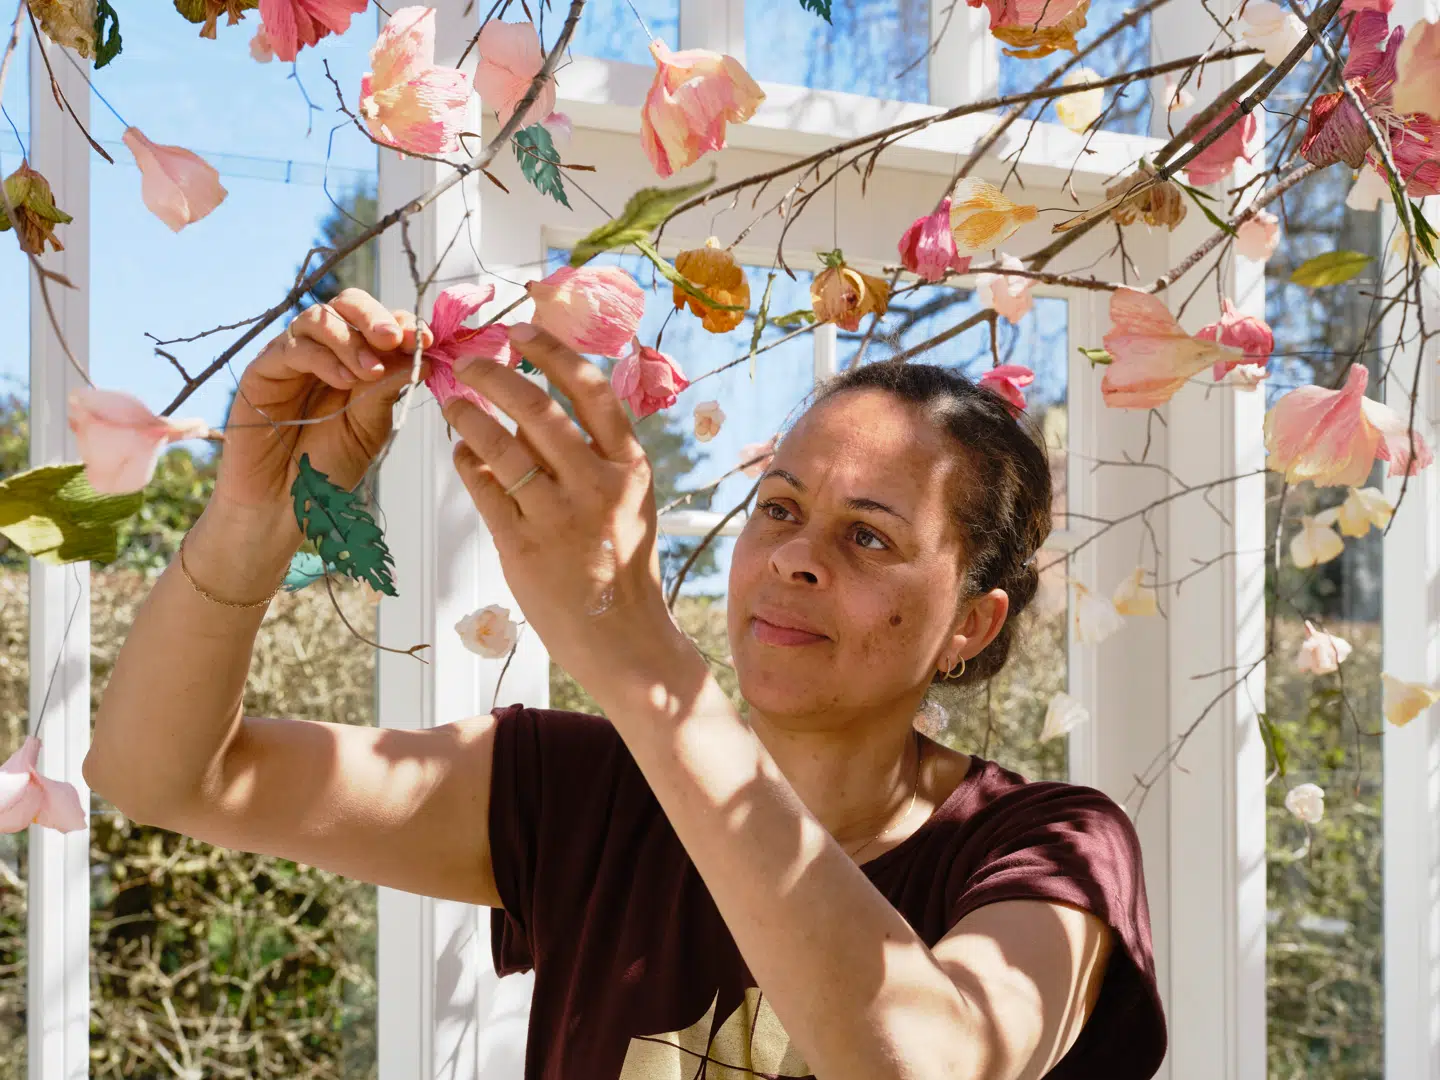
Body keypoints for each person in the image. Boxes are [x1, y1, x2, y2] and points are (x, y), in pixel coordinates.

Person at [87, 288, 1166, 1080]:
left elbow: (926, 1063)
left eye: (869, 537)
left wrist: (633, 651)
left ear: (969, 626)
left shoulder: (1049, 847)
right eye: (778, 510)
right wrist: (253, 521)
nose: (794, 558)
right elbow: (162, 774)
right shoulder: (580, 794)